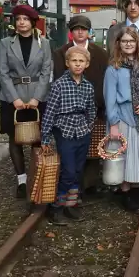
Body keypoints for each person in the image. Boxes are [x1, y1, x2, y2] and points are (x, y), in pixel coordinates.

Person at [0, 5, 52, 198]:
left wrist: (37, 98)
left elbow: (46, 72)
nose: (21, 22)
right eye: (18, 19)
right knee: (15, 139)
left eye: (25, 19)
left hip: (37, 95)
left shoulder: (43, 43)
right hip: (12, 97)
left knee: (37, 138)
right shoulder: (6, 43)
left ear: (32, 22)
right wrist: (15, 99)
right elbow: (3, 73)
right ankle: (21, 180)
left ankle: (37, 175)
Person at [104, 27, 139, 212]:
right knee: (126, 157)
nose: (128, 44)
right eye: (125, 41)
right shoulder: (113, 69)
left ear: (137, 44)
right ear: (118, 44)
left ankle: (136, 191)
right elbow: (109, 99)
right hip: (123, 117)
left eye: (132, 41)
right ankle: (126, 193)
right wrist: (113, 124)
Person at [41, 46, 95, 224]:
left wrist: (88, 125)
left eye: (81, 61)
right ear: (67, 63)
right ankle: (56, 206)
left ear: (86, 64)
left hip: (82, 131)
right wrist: (45, 137)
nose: (78, 64)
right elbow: (49, 113)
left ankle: (70, 205)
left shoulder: (88, 86)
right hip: (64, 130)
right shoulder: (58, 85)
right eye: (74, 61)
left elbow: (91, 109)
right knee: (68, 170)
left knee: (78, 170)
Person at [53, 15, 108, 127]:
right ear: (71, 31)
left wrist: (98, 103)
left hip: (96, 108)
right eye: (76, 29)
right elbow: (58, 79)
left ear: (88, 31)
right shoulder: (60, 53)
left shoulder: (101, 53)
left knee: (95, 143)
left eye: (83, 29)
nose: (80, 32)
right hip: (68, 111)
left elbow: (104, 80)